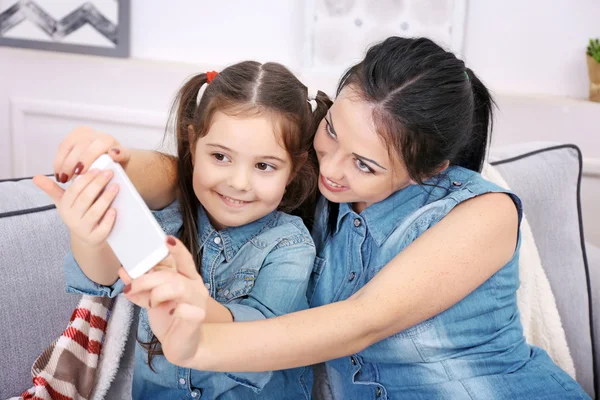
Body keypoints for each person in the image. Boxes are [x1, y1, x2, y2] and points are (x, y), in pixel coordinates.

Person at [41, 37, 590, 399]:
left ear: (428, 170)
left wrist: (198, 343)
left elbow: (363, 321)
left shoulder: (482, 212)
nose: (330, 165)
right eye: (330, 132)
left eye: (365, 164)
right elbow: (189, 174)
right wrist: (109, 161)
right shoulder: (313, 175)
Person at [35, 60, 331, 399]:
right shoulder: (169, 219)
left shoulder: (290, 244)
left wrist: (198, 304)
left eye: (264, 166)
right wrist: (87, 233)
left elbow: (264, 338)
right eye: (220, 157)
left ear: (293, 171)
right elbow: (103, 275)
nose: (238, 182)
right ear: (193, 144)